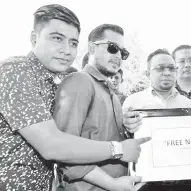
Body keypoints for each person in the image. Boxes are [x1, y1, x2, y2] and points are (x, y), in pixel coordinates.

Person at [0, 5, 147, 191]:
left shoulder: (56, 82)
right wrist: (119, 150)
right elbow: (53, 145)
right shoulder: (15, 71)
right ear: (34, 38)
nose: (67, 50)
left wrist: (126, 126)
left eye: (73, 43)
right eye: (57, 38)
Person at [53, 24, 148, 191]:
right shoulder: (79, 81)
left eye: (123, 52)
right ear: (92, 48)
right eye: (112, 48)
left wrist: (127, 128)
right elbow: (63, 151)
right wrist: (111, 184)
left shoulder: (111, 93)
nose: (118, 55)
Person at [123, 49, 191, 191]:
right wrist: (126, 129)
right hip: (145, 183)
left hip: (184, 182)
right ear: (148, 73)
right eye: (160, 68)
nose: (167, 72)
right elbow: (123, 140)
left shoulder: (189, 105)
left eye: (171, 68)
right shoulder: (132, 102)